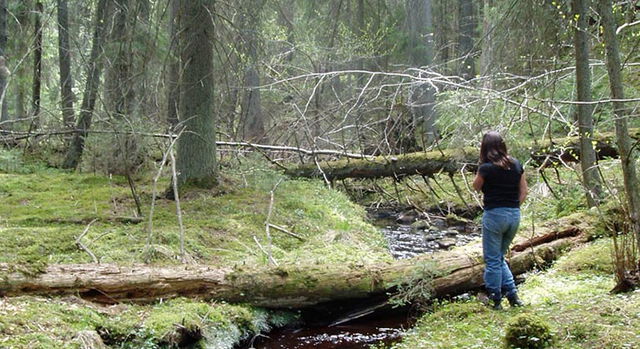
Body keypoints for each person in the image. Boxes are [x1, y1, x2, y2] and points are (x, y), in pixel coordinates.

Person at [472, 131, 528, 310]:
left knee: (492, 259)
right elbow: (524, 192)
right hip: (514, 215)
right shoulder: (517, 164)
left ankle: (496, 299)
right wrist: (511, 206)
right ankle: (512, 295)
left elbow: (476, 186)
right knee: (499, 257)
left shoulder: (486, 168)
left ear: (485, 148)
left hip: (495, 215)